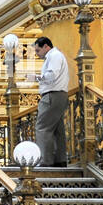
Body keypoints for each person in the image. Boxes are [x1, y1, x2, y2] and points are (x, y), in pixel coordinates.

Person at [32, 36, 69, 167]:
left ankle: (45, 161)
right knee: (58, 129)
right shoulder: (57, 56)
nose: (37, 54)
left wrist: (36, 78)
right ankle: (60, 160)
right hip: (60, 95)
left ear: (46, 47)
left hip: (52, 95)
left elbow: (51, 76)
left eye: (38, 50)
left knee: (42, 128)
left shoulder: (54, 56)